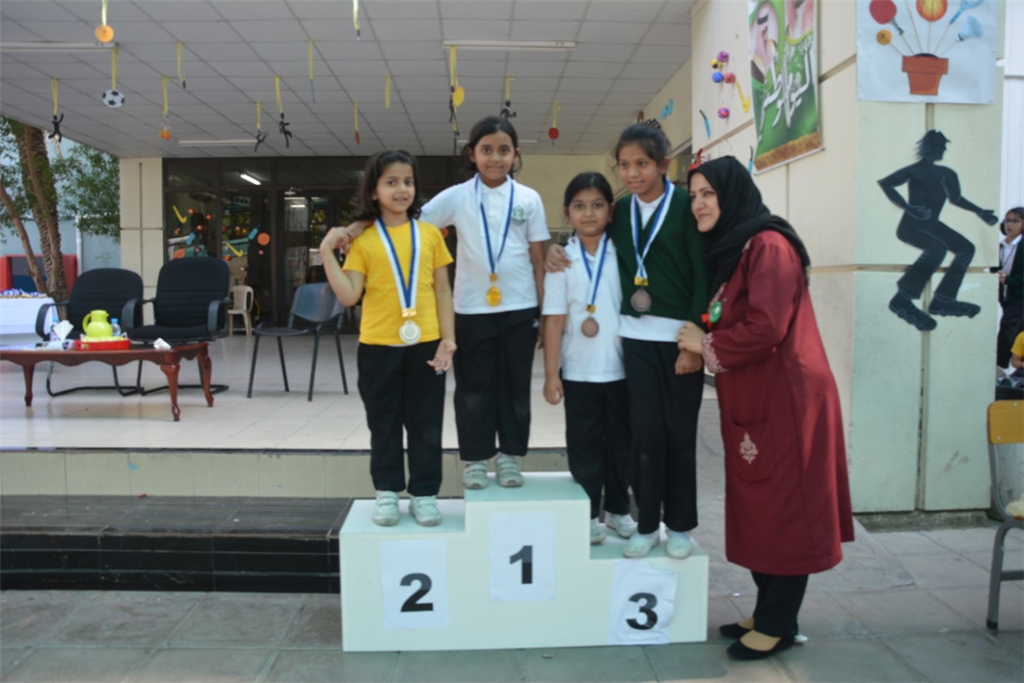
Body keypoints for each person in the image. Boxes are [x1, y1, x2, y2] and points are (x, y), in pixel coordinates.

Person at [677, 156, 854, 661]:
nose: (699, 204)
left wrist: (704, 343)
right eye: (694, 195)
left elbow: (767, 327)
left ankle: (779, 623)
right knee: (761, 505)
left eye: (709, 193)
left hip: (788, 399)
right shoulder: (735, 248)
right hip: (757, 398)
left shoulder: (769, 246)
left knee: (786, 508)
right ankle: (769, 611)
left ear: (733, 195)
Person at [333, 117, 549, 490]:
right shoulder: (457, 196)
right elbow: (407, 218)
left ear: (515, 154)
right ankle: (476, 460)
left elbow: (539, 258)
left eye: (504, 150)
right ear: (472, 154)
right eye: (486, 150)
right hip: (470, 308)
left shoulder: (529, 198)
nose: (495, 158)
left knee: (515, 386)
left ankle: (510, 457)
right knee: (473, 389)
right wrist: (358, 227)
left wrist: (543, 314)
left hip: (520, 307)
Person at [548, 122, 708, 560]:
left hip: (681, 340)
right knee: (645, 439)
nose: (632, 173)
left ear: (664, 164)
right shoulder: (618, 213)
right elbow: (585, 233)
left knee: (680, 437)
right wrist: (553, 249)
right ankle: (647, 524)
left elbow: (702, 274)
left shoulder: (684, 206)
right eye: (624, 165)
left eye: (642, 164)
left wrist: (695, 341)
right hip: (633, 341)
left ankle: (679, 525)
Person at [319, 150, 456, 527]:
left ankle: (425, 494)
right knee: (383, 425)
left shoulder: (430, 235)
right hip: (377, 350)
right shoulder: (363, 241)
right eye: (391, 182)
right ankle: (387, 492)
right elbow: (349, 295)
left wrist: (448, 339)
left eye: (408, 182)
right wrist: (326, 252)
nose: (401, 189)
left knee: (426, 425)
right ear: (374, 190)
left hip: (426, 346)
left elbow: (443, 290)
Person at [542, 172, 636, 545]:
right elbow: (554, 321)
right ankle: (587, 513)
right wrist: (552, 374)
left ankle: (618, 510)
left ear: (611, 210)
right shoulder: (561, 261)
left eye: (597, 205)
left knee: (621, 446)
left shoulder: (624, 254)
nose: (589, 213)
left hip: (622, 370)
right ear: (567, 212)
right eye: (579, 206)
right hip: (579, 372)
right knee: (584, 448)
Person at [878, 130, 999, 331]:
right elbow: (886, 183)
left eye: (943, 147)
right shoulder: (915, 171)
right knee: (937, 249)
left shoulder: (947, 173)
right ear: (927, 148)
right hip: (911, 226)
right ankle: (901, 300)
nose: (942, 151)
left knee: (966, 249)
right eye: (938, 147)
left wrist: (980, 211)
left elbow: (956, 199)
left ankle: (943, 300)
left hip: (933, 224)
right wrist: (909, 208)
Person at [995, 207, 1024, 371]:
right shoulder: (1000, 245)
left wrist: (1008, 280)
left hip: (1020, 297)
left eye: (1015, 221)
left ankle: (1000, 365)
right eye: (1007, 220)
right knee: (1019, 332)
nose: (1010, 225)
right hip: (1006, 295)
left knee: (1007, 327)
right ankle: (1018, 372)